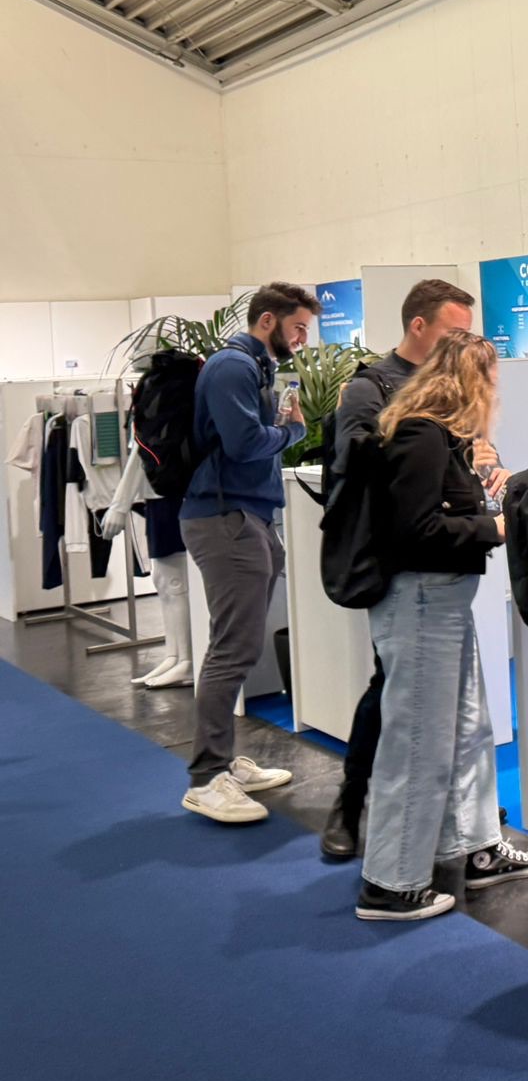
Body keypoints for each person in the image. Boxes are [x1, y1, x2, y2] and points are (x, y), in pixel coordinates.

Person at [357, 331, 528, 921]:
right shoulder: (421, 434)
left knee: (468, 730)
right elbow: (414, 531)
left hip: (440, 600)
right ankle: (389, 883)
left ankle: (476, 849)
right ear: (475, 381)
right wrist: (491, 529)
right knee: (418, 741)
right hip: (422, 599)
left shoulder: (435, 434)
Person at [320, 278, 490, 860]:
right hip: (402, 570)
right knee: (395, 697)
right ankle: (353, 805)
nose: (462, 343)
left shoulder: (452, 387)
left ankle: (456, 824)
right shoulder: (370, 388)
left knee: (448, 710)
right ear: (419, 325)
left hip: (441, 569)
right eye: (453, 331)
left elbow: (463, 455)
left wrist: (475, 468)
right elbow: (359, 464)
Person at [178, 282, 317, 825]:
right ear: (268, 320)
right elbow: (244, 444)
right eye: (298, 328)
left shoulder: (251, 367)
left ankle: (221, 764)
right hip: (224, 518)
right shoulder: (233, 367)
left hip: (242, 516)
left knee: (235, 644)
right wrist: (292, 432)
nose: (302, 339)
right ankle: (207, 777)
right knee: (232, 649)